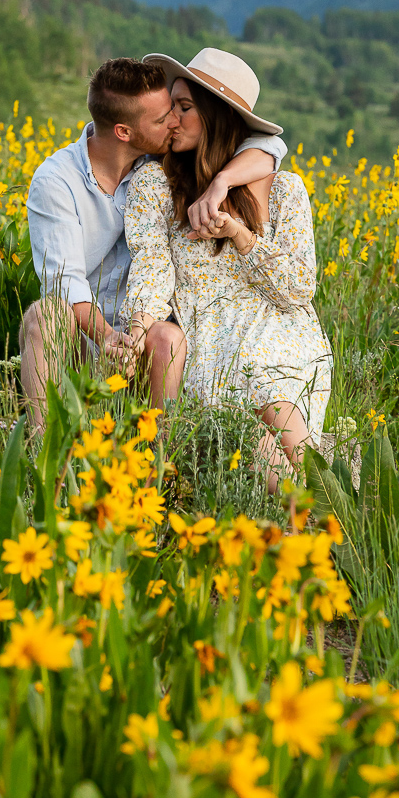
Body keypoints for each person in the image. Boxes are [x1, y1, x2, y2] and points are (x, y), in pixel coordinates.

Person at [20, 57, 286, 426]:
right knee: (43, 316)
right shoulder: (56, 181)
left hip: (147, 335)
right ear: (124, 132)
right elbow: (64, 282)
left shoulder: (160, 161)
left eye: (176, 111)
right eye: (163, 119)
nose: (174, 122)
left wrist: (221, 181)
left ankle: (162, 463)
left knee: (169, 336)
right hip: (87, 339)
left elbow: (268, 146)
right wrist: (109, 337)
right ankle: (44, 457)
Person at [123, 47, 332, 491]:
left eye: (184, 108)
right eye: (170, 107)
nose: (171, 120)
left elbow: (297, 290)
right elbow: (151, 270)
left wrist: (241, 235)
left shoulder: (285, 190)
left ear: (217, 117)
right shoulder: (155, 185)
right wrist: (138, 329)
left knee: (280, 414)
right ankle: (322, 526)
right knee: (260, 450)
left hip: (282, 343)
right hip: (212, 351)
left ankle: (345, 519)